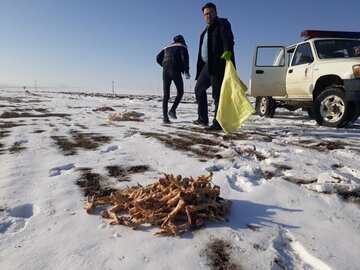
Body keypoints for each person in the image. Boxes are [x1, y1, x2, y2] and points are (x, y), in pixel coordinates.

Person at [193, 2, 235, 131]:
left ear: (216, 12)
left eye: (211, 12)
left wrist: (228, 49)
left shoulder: (222, 24)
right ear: (203, 16)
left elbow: (227, 37)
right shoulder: (204, 32)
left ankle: (217, 123)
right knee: (199, 89)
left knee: (217, 94)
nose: (208, 15)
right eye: (206, 13)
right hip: (207, 65)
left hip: (218, 63)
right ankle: (202, 118)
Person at [156, 35, 190, 124]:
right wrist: (186, 71)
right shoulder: (182, 46)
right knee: (180, 92)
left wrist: (164, 65)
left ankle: (165, 118)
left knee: (166, 95)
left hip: (165, 71)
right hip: (175, 70)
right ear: (182, 40)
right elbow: (185, 59)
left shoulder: (166, 47)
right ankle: (172, 110)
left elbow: (157, 58)